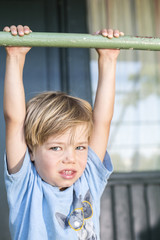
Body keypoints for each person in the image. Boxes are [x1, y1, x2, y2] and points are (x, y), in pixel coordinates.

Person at [3, 25, 124, 240]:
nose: (71, 158)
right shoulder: (25, 185)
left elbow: (103, 121)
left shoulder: (88, 177)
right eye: (56, 147)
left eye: (80, 147)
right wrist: (16, 56)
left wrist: (108, 59)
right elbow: (14, 119)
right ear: (31, 151)